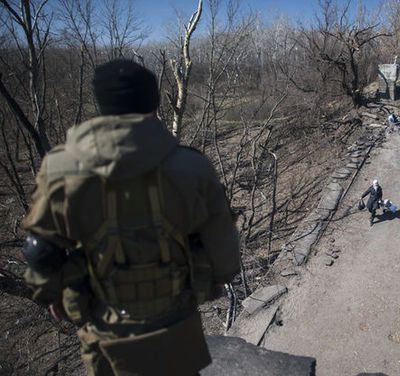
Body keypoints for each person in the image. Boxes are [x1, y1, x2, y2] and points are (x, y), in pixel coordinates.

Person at [21, 59, 240, 376]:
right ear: (151, 103)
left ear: (103, 105)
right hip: (176, 320)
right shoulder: (192, 167)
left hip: (105, 324)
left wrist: (50, 294)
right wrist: (217, 278)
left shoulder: (60, 168)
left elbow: (40, 248)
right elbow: (222, 244)